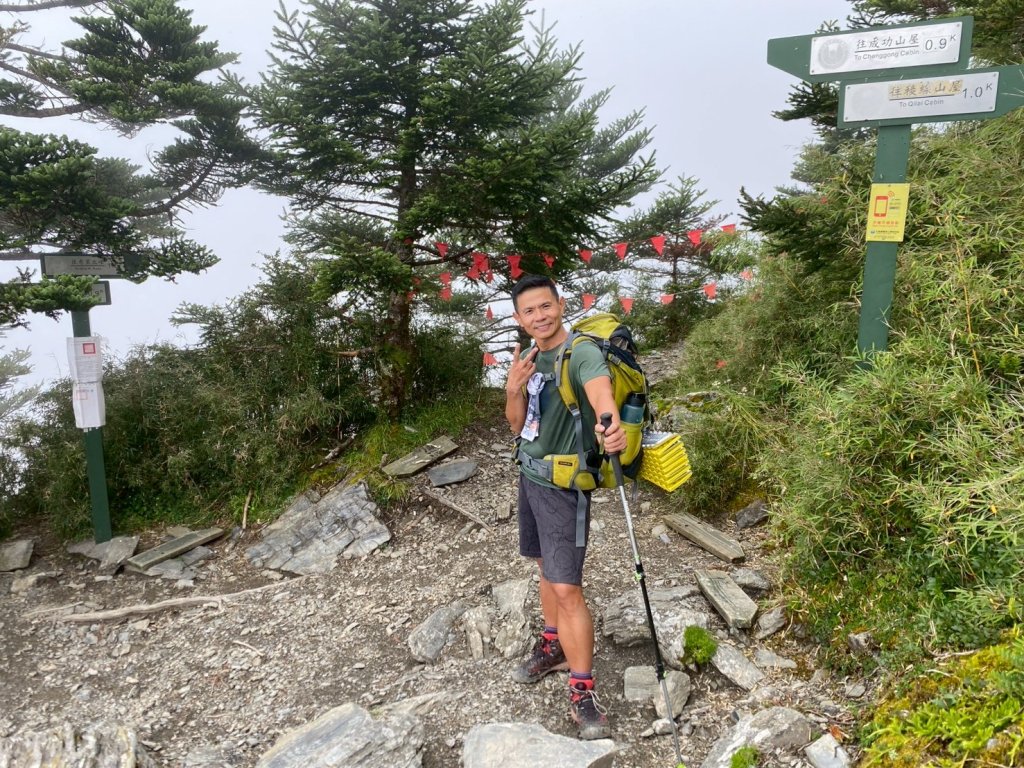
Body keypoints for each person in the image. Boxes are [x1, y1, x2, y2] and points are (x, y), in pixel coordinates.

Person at [504, 274, 626, 740]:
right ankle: (552, 645)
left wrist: (608, 425)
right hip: (530, 474)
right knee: (544, 568)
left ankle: (583, 690)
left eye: (545, 306)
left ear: (560, 304)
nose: (539, 316)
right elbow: (517, 427)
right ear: (519, 319)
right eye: (529, 311)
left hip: (562, 486)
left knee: (567, 587)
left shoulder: (583, 352)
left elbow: (600, 395)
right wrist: (514, 388)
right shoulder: (529, 357)